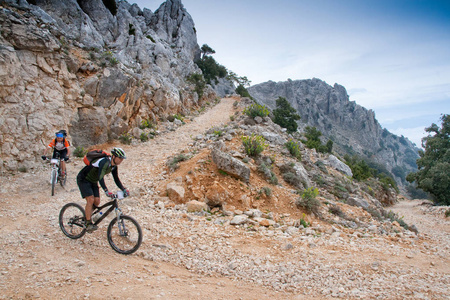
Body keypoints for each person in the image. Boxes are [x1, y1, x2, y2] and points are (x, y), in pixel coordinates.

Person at [76, 147, 129, 232]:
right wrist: (106, 190)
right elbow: (101, 177)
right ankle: (88, 222)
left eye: (122, 159)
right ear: (114, 157)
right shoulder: (104, 162)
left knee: (97, 201)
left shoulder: (114, 166)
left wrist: (123, 189)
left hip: (93, 181)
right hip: (84, 179)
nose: (121, 161)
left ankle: (87, 216)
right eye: (120, 158)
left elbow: (116, 179)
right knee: (90, 199)